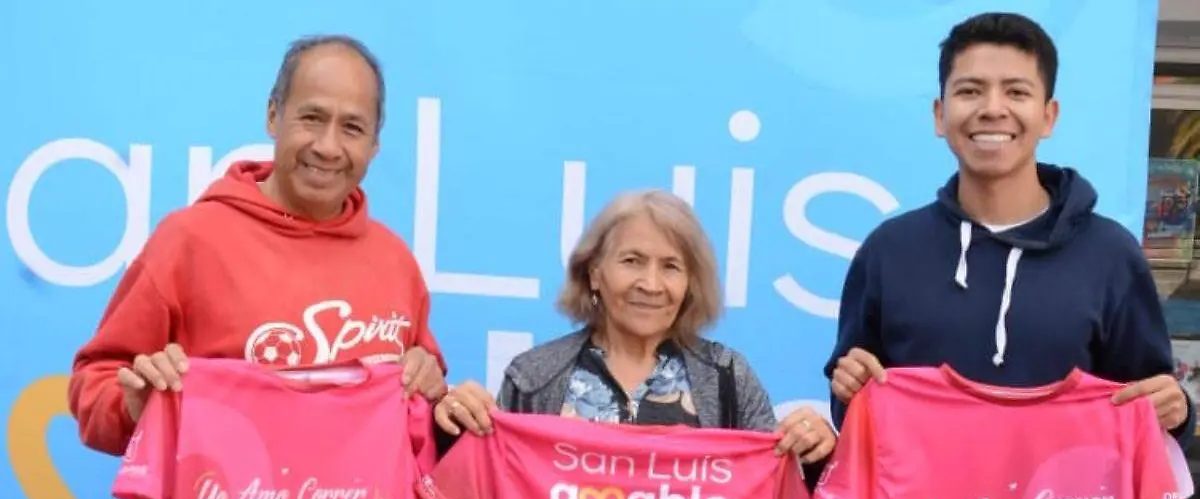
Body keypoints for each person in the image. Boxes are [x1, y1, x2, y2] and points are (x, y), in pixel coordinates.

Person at [69, 35, 447, 456]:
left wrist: (433, 393)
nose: (328, 146)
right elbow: (95, 385)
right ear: (273, 116)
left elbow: (424, 414)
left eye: (352, 128)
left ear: (374, 145)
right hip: (220, 497)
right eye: (312, 118)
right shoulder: (190, 240)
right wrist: (135, 406)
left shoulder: (395, 261)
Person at [827, 12, 1194, 445]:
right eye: (970, 91)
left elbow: (1152, 408)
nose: (992, 109)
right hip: (918, 491)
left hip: (1069, 489)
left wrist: (1180, 412)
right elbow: (854, 412)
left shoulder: (1110, 255)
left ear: (1048, 116)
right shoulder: (889, 251)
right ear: (940, 114)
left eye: (1016, 92)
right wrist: (848, 388)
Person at [432, 188, 836, 462]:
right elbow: (485, 496)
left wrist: (813, 451)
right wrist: (456, 429)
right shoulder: (534, 377)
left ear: (690, 283)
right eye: (632, 261)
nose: (651, 284)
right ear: (594, 272)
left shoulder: (728, 377)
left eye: (671, 266)